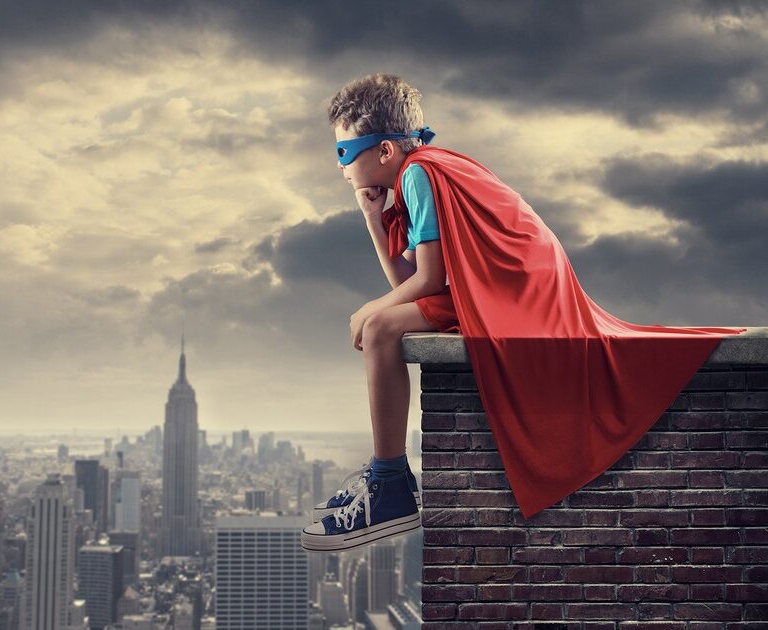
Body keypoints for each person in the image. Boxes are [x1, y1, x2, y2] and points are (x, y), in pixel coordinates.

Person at [300, 73, 746, 553]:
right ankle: (389, 476)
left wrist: (369, 309)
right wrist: (372, 218)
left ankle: (390, 485)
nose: (340, 165)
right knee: (381, 321)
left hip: (517, 288)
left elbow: (425, 282)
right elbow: (408, 283)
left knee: (379, 325)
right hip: (506, 281)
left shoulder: (418, 174)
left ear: (384, 151)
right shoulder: (421, 172)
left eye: (344, 152)